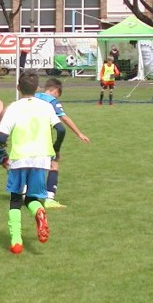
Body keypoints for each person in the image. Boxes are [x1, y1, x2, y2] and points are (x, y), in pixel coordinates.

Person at [0, 72, 60, 254]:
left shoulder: (14, 108)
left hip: (20, 158)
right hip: (41, 159)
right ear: (38, 88)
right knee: (32, 198)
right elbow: (60, 128)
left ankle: (16, 241)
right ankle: (38, 211)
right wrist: (56, 148)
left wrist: (1, 144)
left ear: (18, 88)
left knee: (15, 200)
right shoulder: (46, 106)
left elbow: (1, 137)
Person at [35, 77, 90, 208]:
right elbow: (64, 119)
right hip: (43, 138)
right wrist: (79, 133)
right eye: (57, 94)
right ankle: (49, 198)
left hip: (26, 136)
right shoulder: (52, 102)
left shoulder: (33, 95)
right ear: (54, 90)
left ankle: (26, 193)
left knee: (31, 166)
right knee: (53, 165)